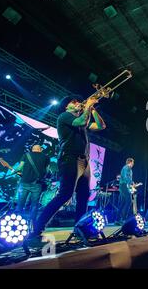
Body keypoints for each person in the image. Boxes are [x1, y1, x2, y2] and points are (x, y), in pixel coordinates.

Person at [32, 95, 106, 237]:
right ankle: (37, 228)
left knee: (84, 196)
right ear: (67, 106)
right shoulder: (64, 116)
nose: (78, 102)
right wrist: (88, 106)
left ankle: (80, 229)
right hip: (69, 158)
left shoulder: (81, 122)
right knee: (65, 195)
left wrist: (93, 110)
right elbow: (81, 121)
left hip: (84, 161)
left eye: (79, 101)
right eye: (74, 102)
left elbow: (101, 126)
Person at [15, 145, 50, 228]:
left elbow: (20, 167)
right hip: (37, 184)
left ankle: (17, 221)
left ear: (32, 149)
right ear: (40, 149)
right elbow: (47, 171)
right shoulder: (46, 157)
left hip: (24, 183)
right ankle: (32, 223)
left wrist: (16, 171)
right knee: (34, 204)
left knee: (21, 203)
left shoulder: (26, 155)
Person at [117, 158, 135, 224]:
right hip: (123, 185)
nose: (133, 164)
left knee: (122, 203)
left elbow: (129, 178)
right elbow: (124, 177)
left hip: (125, 186)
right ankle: (124, 218)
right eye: (132, 163)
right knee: (129, 201)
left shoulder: (129, 169)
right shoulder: (126, 168)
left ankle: (117, 219)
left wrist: (131, 183)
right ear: (130, 162)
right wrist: (130, 181)